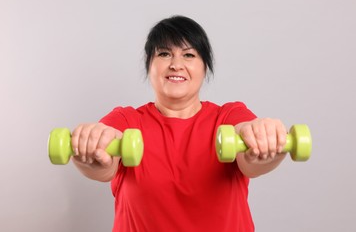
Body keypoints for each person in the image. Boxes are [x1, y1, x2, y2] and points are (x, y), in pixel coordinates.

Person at [70, 15, 287, 231]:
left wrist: (265, 143)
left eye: (188, 55)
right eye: (164, 54)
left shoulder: (228, 117)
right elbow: (104, 161)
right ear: (149, 65)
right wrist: (90, 154)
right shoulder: (127, 120)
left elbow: (251, 161)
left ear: (205, 67)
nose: (176, 64)